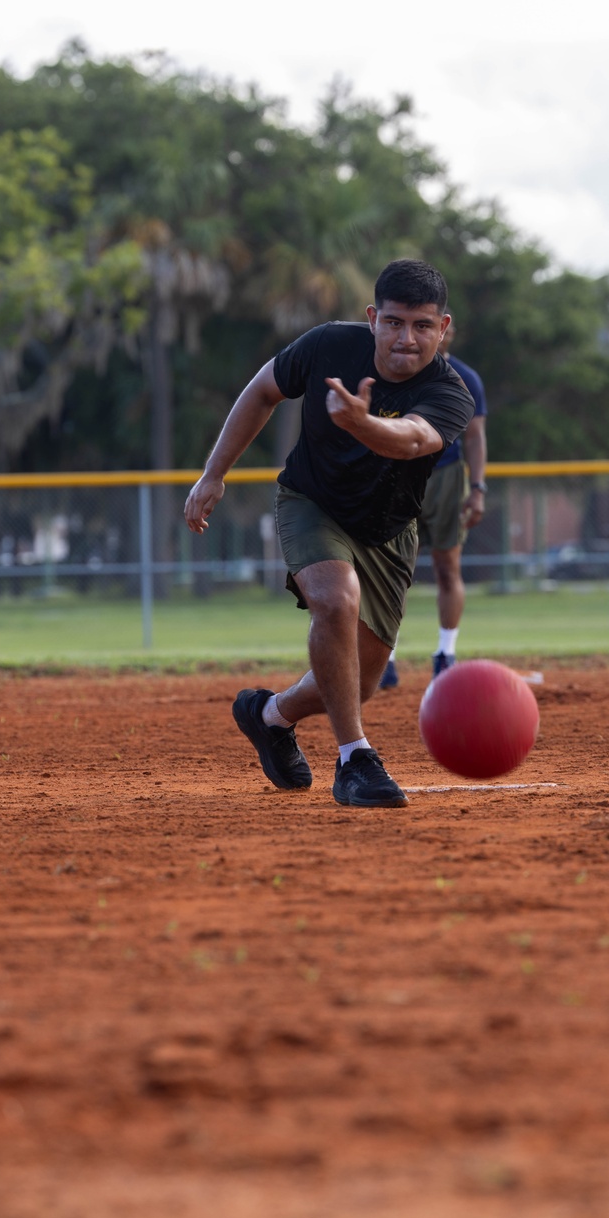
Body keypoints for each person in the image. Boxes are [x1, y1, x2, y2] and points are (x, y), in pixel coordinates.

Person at [183, 259, 474, 808]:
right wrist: (213, 473)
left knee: (357, 683)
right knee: (335, 601)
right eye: (393, 322)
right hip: (312, 503)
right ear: (372, 318)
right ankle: (355, 759)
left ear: (444, 327)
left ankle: (269, 716)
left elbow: (410, 441)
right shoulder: (326, 346)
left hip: (388, 530)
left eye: (422, 325)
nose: (406, 339)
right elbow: (262, 390)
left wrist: (362, 422)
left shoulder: (450, 391)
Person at [380, 318, 487, 685]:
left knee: (446, 566)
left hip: (444, 476)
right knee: (392, 572)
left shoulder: (464, 377)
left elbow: (474, 437)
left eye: (434, 327)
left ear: (446, 331)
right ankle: (386, 656)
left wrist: (477, 488)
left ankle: (446, 651)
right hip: (398, 477)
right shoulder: (395, 372)